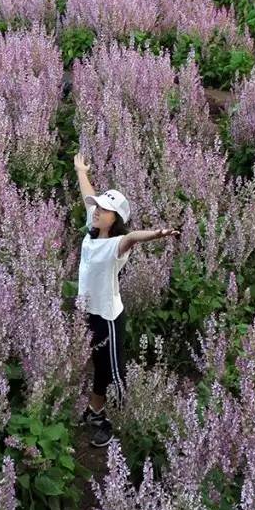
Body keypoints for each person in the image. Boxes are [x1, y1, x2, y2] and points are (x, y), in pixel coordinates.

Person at [73, 151, 179, 447]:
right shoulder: (92, 231)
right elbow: (88, 196)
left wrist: (157, 234)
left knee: (115, 371)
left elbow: (133, 238)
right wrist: (81, 171)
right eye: (97, 208)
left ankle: (124, 421)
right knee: (99, 365)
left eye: (104, 210)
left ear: (115, 218)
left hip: (107, 317)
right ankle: (96, 411)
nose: (96, 211)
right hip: (89, 313)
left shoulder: (116, 245)